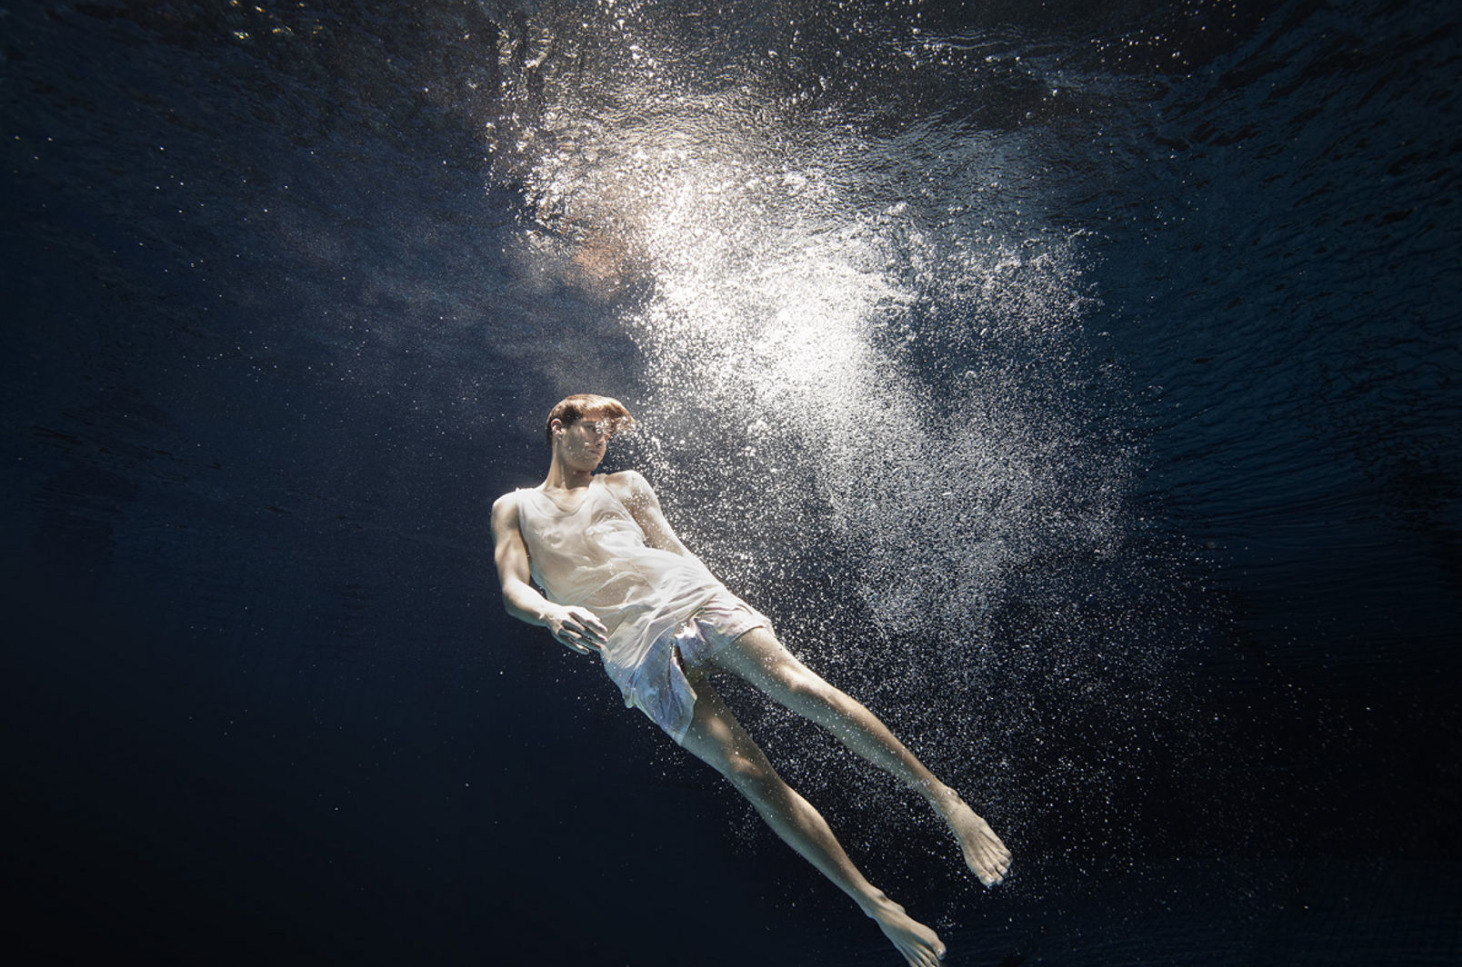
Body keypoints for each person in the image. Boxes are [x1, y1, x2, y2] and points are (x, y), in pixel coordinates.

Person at [491, 394, 1011, 967]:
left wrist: (728, 603)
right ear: (557, 428)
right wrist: (550, 612)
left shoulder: (625, 485)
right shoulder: (513, 507)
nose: (600, 441)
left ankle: (945, 800)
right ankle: (874, 903)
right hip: (631, 649)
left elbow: (674, 549)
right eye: (590, 429)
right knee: (747, 772)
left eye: (608, 434)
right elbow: (514, 588)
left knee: (803, 689)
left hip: (691, 598)